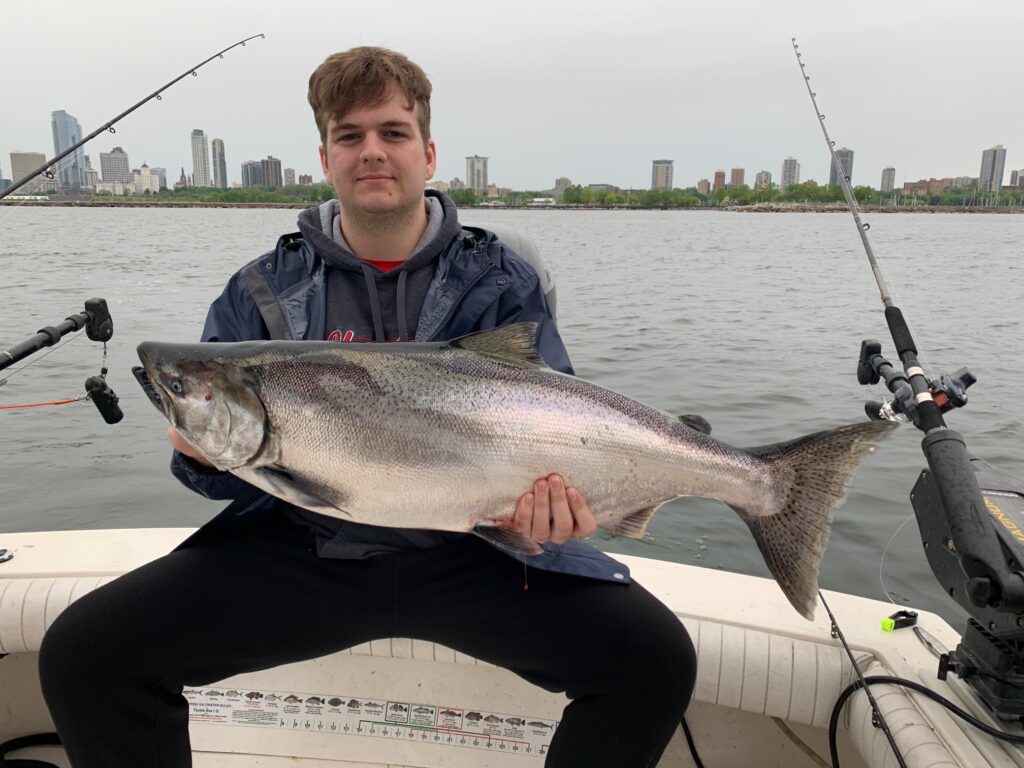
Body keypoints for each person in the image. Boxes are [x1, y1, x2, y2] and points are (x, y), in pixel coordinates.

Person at [39, 47, 696, 767]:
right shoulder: (262, 288)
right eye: (350, 136)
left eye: (393, 132)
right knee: (86, 654)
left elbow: (555, 418)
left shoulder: (502, 277)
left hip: (477, 553)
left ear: (428, 151)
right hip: (308, 549)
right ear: (325, 156)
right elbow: (214, 471)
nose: (372, 152)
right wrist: (197, 456)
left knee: (654, 661)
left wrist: (561, 507)